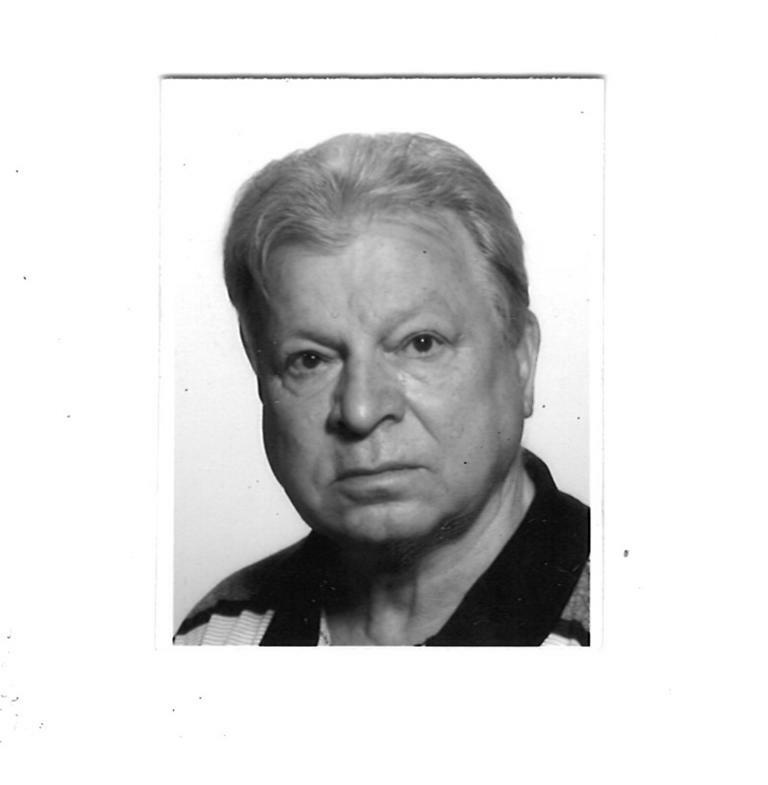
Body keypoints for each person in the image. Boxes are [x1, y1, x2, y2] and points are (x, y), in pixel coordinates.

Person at [174, 132, 589, 646]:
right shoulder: (213, 637)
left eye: (420, 344)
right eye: (310, 360)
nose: (361, 409)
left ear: (522, 358)